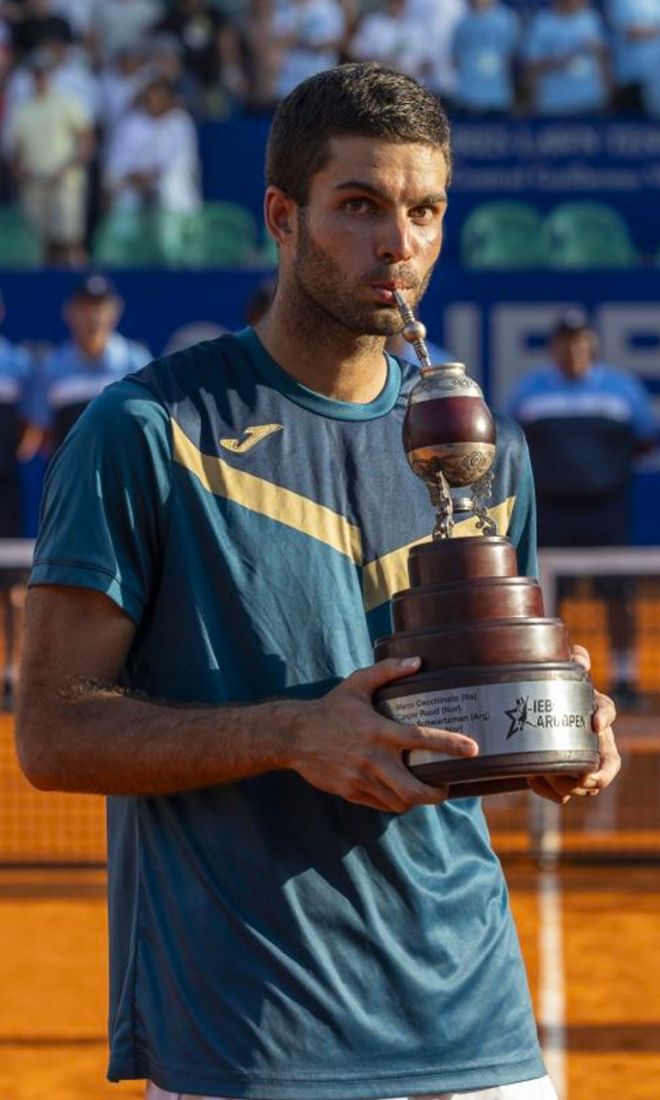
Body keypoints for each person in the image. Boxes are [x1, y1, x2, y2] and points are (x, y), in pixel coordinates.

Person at [17, 64, 619, 1100]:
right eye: (360, 206)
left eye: (424, 209)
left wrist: (559, 722)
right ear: (281, 219)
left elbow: (465, 696)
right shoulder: (146, 431)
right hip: (248, 1043)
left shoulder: (487, 447)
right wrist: (294, 732)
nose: (399, 244)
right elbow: (52, 733)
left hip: (477, 1032)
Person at [506, 309, 657, 699]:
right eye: (565, 341)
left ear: (592, 345)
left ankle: (624, 680)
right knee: (551, 598)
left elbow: (644, 441)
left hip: (606, 512)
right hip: (552, 514)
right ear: (554, 348)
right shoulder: (528, 392)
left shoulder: (624, 391)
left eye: (580, 341)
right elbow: (511, 447)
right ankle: (553, 676)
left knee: (617, 596)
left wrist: (600, 476)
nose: (573, 348)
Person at [26, 274, 151, 454]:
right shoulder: (52, 367)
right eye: (84, 307)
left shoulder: (137, 362)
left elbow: (149, 426)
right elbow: (41, 434)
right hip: (70, 479)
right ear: (69, 312)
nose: (92, 316)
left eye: (99, 306)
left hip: (125, 478)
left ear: (115, 311)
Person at [5, 46, 94, 265]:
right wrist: (20, 172)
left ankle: (75, 284)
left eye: (44, 72)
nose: (40, 77)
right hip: (33, 183)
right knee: (37, 241)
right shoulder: (21, 108)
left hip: (65, 181)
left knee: (69, 239)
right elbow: (14, 148)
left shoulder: (66, 102)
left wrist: (69, 167)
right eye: (37, 72)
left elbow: (85, 138)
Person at [522, 0, 611, 115]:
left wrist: (607, 91)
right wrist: (559, 60)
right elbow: (531, 66)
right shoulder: (542, 23)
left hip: (591, 100)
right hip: (554, 104)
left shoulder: (591, 19)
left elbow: (603, 58)